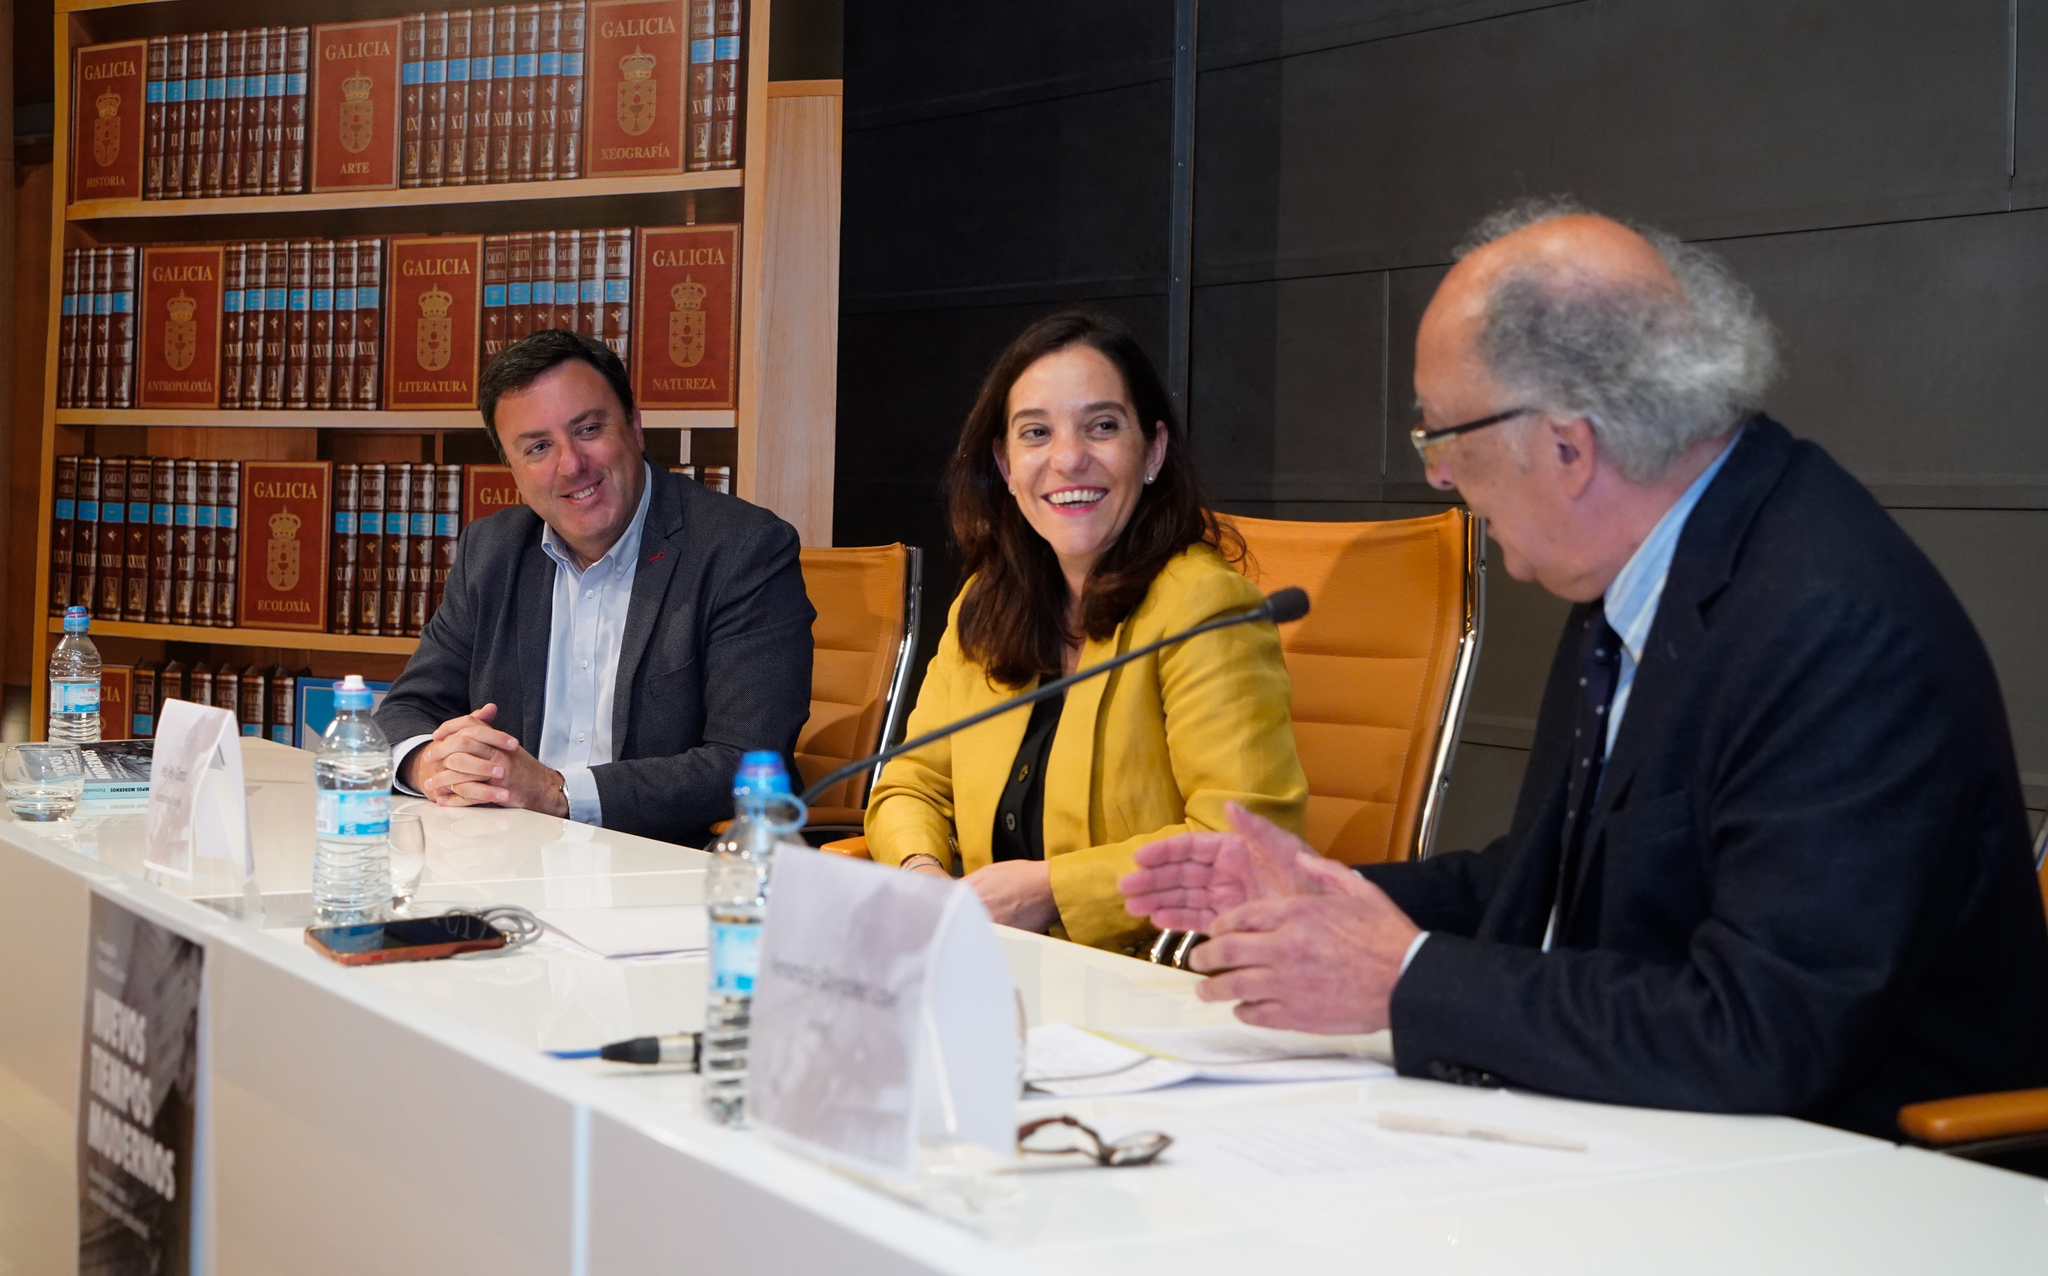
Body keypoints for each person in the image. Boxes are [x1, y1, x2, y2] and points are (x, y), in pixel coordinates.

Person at [1120, 200, 2048, 1138]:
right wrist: (1330, 902)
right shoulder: (1639, 563)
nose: (1439, 476)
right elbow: (1549, 880)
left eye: (1443, 436)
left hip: (1863, 1175)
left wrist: (1402, 978)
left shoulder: (1833, 627)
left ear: (1567, 447)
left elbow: (1758, 1034)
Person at [865, 311, 1308, 952]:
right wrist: (923, 874)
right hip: (996, 966)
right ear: (1005, 464)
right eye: (1036, 433)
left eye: (1102, 426)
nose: (1069, 458)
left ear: (1152, 451)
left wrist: (1054, 889)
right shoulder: (987, 602)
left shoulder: (1205, 608)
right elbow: (910, 784)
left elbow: (1247, 845)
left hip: (1150, 979)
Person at [375, 329, 815, 848]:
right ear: (512, 470)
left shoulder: (742, 550)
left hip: (668, 867)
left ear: (634, 425)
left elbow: (748, 761)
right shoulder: (492, 552)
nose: (570, 465)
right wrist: (432, 763)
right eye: (538, 447)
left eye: (588, 429)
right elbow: (405, 710)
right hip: (504, 860)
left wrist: (555, 792)